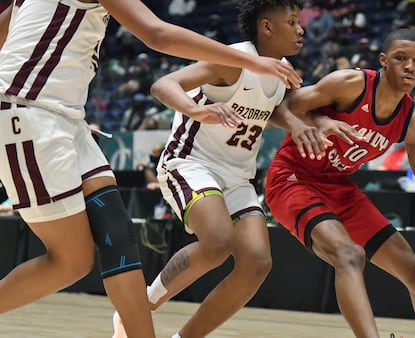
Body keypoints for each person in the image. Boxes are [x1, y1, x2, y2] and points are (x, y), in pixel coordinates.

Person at [0, 0, 300, 337]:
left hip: (68, 120)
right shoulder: (246, 58)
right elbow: (157, 34)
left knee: (119, 239)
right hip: (28, 114)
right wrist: (249, 60)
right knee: (71, 262)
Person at [265, 29, 415, 338]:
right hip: (293, 177)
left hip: (339, 186)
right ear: (383, 61)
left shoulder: (413, 122)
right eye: (401, 58)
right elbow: (277, 106)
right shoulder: (351, 84)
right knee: (350, 255)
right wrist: (321, 122)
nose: (410, 66)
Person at [112, 1, 318, 337]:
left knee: (256, 263)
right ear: (266, 27)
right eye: (292, 21)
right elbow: (164, 85)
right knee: (218, 241)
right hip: (191, 161)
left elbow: (270, 106)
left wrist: (294, 122)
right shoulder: (232, 60)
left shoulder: (281, 70)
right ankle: (137, 308)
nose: (301, 29)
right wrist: (196, 110)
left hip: (237, 175)